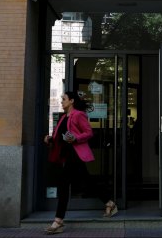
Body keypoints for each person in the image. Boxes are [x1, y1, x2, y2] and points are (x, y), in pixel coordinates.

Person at [44, 91, 118, 234]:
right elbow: (59, 137)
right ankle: (110, 202)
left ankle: (58, 221)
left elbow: (89, 132)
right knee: (87, 181)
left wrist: (75, 138)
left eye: (64, 99)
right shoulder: (63, 117)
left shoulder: (78, 115)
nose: (61, 101)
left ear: (71, 101)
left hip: (75, 154)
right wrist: (50, 139)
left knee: (64, 184)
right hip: (66, 155)